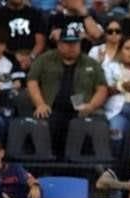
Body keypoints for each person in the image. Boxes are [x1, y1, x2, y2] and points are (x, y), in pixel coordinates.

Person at [26, 23, 109, 158]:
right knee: (44, 125)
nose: (72, 47)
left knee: (90, 125)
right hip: (51, 109)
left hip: (80, 111)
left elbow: (102, 88)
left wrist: (91, 106)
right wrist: (40, 104)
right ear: (59, 44)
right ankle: (46, 164)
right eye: (67, 43)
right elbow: (32, 81)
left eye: (75, 43)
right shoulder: (45, 59)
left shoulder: (91, 63)